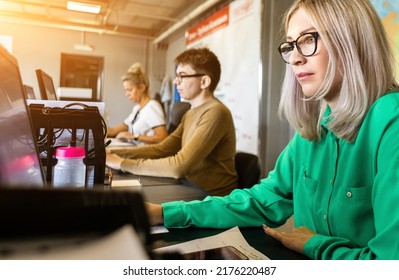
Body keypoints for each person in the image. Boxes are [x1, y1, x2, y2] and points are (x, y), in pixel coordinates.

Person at [146, 0, 399, 260]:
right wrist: (165, 213)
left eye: (309, 39)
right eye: (291, 45)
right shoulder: (313, 129)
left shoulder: (392, 119)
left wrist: (317, 246)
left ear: (352, 41)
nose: (296, 58)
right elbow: (263, 200)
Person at [106, 48, 237, 196]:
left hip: (211, 198)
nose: (176, 82)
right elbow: (161, 149)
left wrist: (122, 163)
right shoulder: (190, 113)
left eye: (182, 76)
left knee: (136, 208)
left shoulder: (216, 112)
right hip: (189, 187)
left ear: (204, 81)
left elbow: (178, 166)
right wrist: (113, 153)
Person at [107, 63, 168, 145]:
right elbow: (113, 131)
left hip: (145, 154)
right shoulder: (137, 109)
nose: (126, 94)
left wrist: (133, 136)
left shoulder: (152, 106)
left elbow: (163, 138)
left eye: (129, 89)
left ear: (142, 87)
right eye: (126, 90)